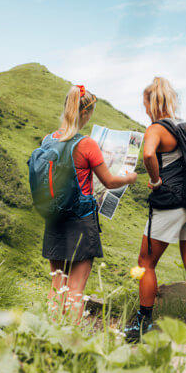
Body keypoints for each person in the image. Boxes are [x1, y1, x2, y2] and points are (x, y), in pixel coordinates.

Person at [124, 77, 186, 342]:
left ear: (151, 102)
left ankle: (144, 324)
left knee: (145, 262)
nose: (145, 109)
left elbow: (149, 155)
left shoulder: (157, 129)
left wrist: (155, 180)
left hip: (171, 204)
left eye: (144, 104)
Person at [43, 85, 137, 320]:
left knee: (57, 285)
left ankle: (47, 342)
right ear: (86, 114)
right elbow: (110, 181)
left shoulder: (47, 140)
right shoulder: (86, 144)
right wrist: (130, 177)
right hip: (81, 221)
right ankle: (70, 346)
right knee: (76, 290)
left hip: (55, 219)